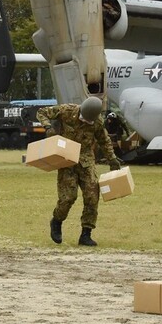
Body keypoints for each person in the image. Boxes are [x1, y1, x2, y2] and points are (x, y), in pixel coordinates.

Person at [37, 97, 123, 247]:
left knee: (92, 196)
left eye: (89, 121)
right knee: (68, 198)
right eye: (84, 119)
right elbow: (41, 112)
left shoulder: (97, 122)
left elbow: (104, 140)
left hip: (86, 160)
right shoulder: (66, 110)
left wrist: (112, 159)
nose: (86, 122)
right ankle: (56, 221)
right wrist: (48, 127)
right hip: (66, 158)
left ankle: (86, 234)